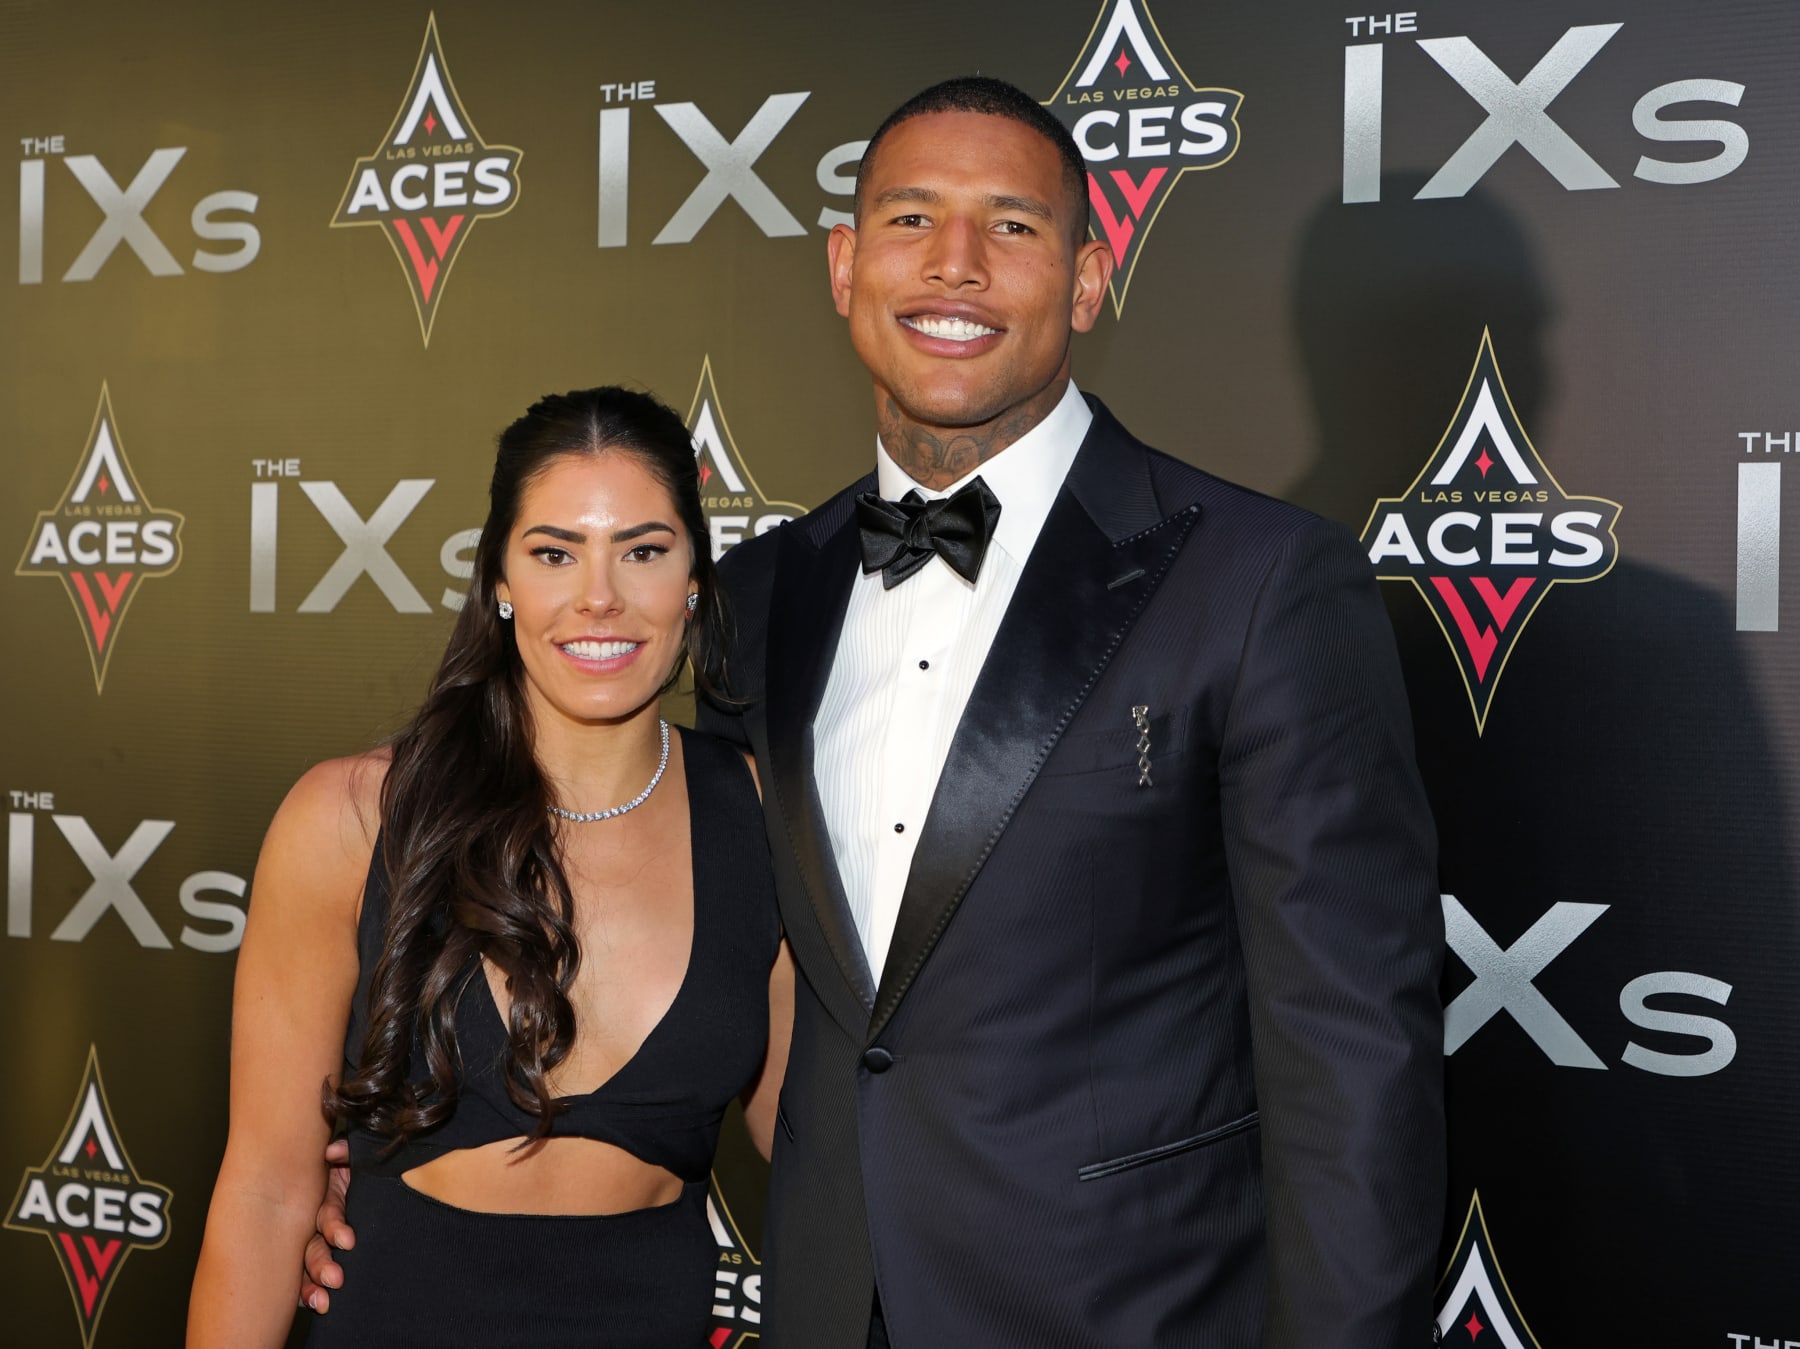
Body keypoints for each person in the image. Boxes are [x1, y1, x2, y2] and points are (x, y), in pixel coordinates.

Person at [307, 77, 1445, 1347]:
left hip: (1133, 1309)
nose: (953, 265)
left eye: (1011, 226)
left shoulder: (1257, 581)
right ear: (846, 266)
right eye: (911, 220)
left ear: (1085, 280)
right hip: (829, 1302)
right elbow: (709, 952)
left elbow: (1350, 1047)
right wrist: (383, 1180)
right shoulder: (752, 599)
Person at [190, 387, 791, 1348]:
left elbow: (810, 1148)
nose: (600, 596)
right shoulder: (353, 818)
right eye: (555, 553)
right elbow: (265, 1187)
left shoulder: (764, 817)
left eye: (643, 550)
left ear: (694, 580)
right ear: (501, 580)